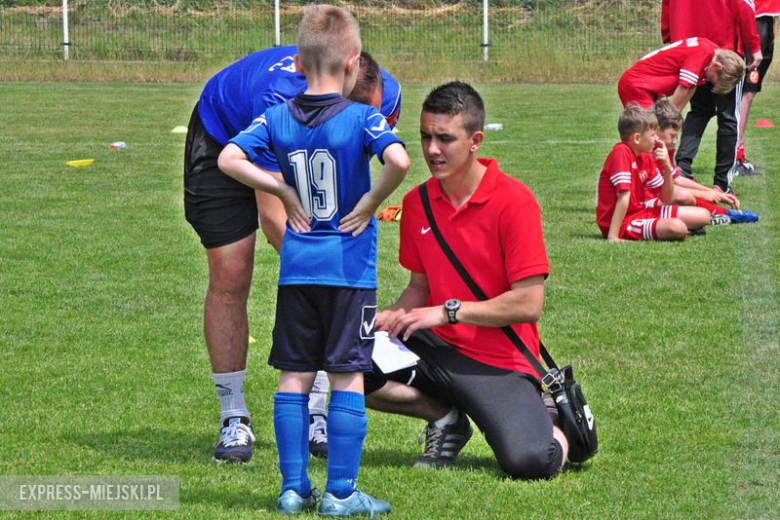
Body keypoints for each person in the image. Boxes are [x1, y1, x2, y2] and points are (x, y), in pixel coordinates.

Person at [218, 4, 409, 515]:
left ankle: (292, 488)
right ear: (353, 64)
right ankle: (342, 493)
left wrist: (278, 184)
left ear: (298, 65)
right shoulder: (363, 116)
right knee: (347, 374)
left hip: (297, 268)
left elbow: (228, 158)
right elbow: (400, 160)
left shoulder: (275, 117)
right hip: (349, 271)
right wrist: (370, 203)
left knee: (293, 375)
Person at [184, 42, 402, 461]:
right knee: (233, 271)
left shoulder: (383, 92)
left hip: (305, 151)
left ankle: (317, 412)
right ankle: (234, 418)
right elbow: (277, 223)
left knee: (325, 279)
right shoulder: (279, 103)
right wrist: (334, 280)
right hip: (222, 142)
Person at [364, 81, 568, 480]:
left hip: (499, 363)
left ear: (476, 140)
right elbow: (419, 287)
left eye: (445, 138)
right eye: (425, 136)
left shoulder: (515, 201)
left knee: (530, 462)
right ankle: (445, 419)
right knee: (341, 354)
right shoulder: (416, 203)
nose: (431, 149)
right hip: (434, 348)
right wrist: (391, 316)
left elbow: (528, 304)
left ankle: (560, 423)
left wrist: (447, 312)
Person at [661, 0, 762, 193]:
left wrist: (670, 37)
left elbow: (667, 6)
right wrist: (754, 45)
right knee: (729, 118)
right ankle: (721, 184)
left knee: (699, 110)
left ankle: (683, 166)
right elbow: (744, 5)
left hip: (688, 47)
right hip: (724, 52)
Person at [596, 105, 711, 242]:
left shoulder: (645, 156)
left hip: (641, 211)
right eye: (652, 135)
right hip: (623, 222)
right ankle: (667, 229)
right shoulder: (621, 152)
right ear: (637, 138)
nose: (656, 139)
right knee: (677, 227)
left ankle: (667, 227)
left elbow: (666, 198)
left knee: (704, 215)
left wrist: (667, 167)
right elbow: (623, 196)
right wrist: (613, 236)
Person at [646, 100, 760, 225]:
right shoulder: (647, 152)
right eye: (672, 136)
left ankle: (724, 214)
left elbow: (676, 179)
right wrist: (704, 194)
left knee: (687, 199)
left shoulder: (662, 147)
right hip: (646, 204)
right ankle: (725, 215)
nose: (675, 141)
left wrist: (713, 192)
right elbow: (666, 189)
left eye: (677, 136)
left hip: (658, 198)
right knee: (684, 197)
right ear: (656, 130)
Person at [617, 38, 745, 111]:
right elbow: (684, 87)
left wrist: (674, 116)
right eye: (712, 79)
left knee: (657, 138)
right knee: (649, 135)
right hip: (637, 86)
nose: (707, 80)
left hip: (644, 87)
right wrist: (669, 118)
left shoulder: (710, 52)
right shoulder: (703, 53)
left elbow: (691, 87)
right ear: (717, 66)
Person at [737, 0, 780, 175]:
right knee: (746, 92)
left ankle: (737, 155)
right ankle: (735, 156)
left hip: (766, 17)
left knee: (748, 92)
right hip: (757, 16)